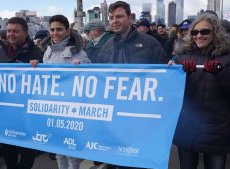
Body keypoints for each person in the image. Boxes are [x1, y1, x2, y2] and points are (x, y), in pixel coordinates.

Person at [97, 1, 167, 168]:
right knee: (117, 158)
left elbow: (165, 77)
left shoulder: (150, 43)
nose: (115, 21)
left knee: (140, 159)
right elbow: (98, 77)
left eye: (120, 16)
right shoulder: (106, 47)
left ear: (130, 18)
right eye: (112, 17)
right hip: (115, 115)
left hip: (141, 115)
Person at [171, 13, 230, 169]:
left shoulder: (227, 57)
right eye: (195, 32)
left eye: (205, 32)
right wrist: (176, 73)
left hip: (217, 130)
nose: (199, 36)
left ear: (215, 33)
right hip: (187, 128)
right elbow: (170, 92)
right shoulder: (181, 57)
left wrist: (222, 73)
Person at [37, 14, 90, 169]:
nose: (55, 33)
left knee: (71, 150)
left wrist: (83, 67)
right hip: (53, 107)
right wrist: (35, 67)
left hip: (71, 108)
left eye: (59, 29)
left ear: (68, 31)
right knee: (58, 148)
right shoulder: (47, 51)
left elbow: (92, 76)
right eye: (52, 29)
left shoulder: (79, 52)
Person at [0, 16, 43, 169]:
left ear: (26, 33)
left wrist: (39, 69)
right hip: (6, 111)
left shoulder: (37, 54)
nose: (11, 34)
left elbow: (47, 84)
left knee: (28, 149)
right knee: (8, 149)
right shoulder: (0, 54)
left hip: (28, 113)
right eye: (8, 31)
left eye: (15, 31)